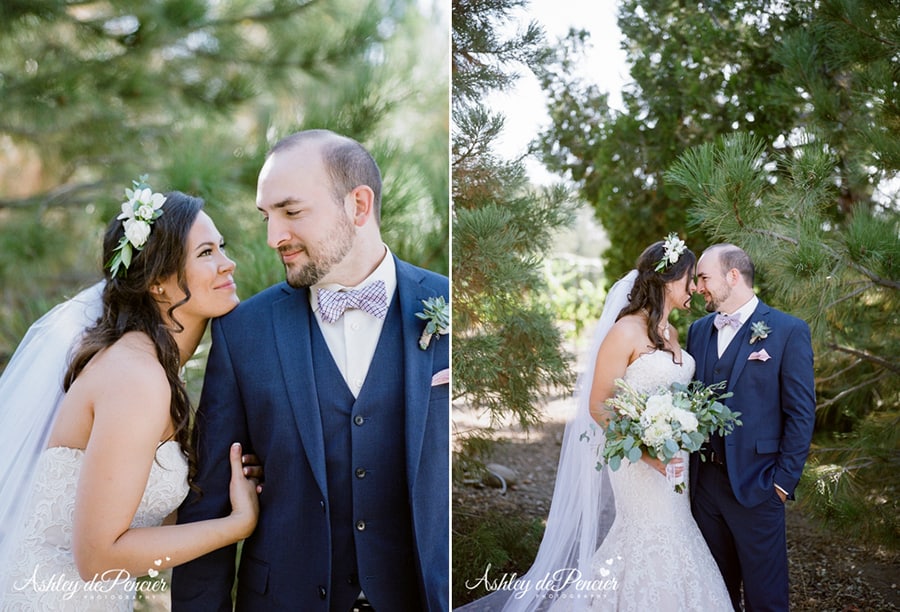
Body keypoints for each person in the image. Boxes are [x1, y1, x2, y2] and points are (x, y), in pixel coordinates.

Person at [171, 129, 450, 611]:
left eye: (291, 212)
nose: (273, 237)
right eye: (266, 216)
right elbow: (208, 503)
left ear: (358, 206)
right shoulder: (244, 331)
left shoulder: (448, 303)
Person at [0, 183, 262, 610]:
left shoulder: (148, 367)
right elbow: (97, 559)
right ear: (158, 283)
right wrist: (236, 525)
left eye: (221, 247)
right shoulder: (136, 378)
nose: (227, 264)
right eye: (206, 254)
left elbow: (133, 516)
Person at [456, 237, 731, 611]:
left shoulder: (672, 334)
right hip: (639, 464)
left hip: (676, 464)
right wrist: (648, 450)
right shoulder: (625, 332)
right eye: (690, 280)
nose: (696, 289)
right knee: (648, 536)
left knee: (676, 531)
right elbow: (598, 405)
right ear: (669, 279)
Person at [689, 243, 816, 611]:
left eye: (703, 277)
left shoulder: (788, 331)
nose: (698, 287)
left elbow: (801, 413)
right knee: (715, 594)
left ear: (733, 276)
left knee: (766, 598)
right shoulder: (698, 331)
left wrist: (781, 483)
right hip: (704, 489)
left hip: (759, 486)